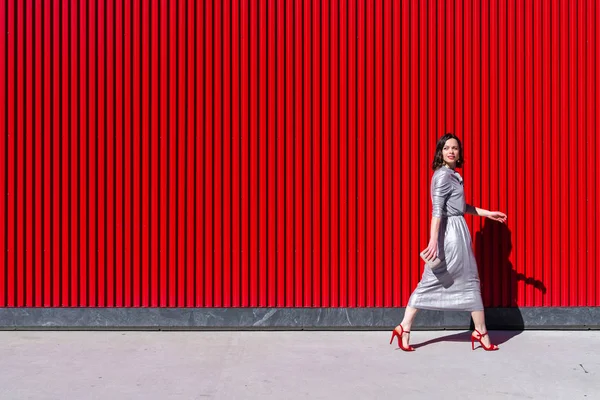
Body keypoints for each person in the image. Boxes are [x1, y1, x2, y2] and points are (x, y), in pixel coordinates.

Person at [390, 133, 507, 352]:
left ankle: (479, 331)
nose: (451, 151)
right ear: (440, 152)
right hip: (450, 235)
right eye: (446, 148)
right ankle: (405, 326)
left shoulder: (453, 175)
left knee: (467, 279)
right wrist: (434, 240)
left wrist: (488, 213)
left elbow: (461, 207)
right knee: (435, 279)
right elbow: (437, 210)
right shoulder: (443, 176)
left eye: (455, 148)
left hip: (457, 230)